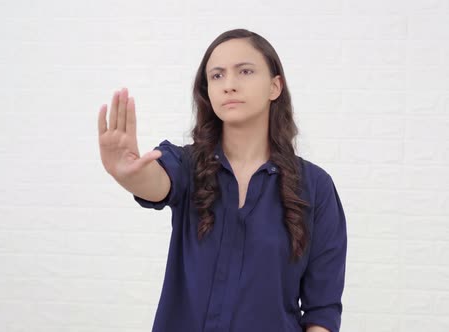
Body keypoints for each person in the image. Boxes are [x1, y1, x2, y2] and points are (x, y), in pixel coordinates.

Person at [97, 28, 347, 332]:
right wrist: (127, 175)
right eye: (216, 76)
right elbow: (156, 183)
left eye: (245, 71)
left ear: (274, 86)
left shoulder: (316, 187)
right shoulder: (186, 164)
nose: (229, 85)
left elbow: (322, 309)